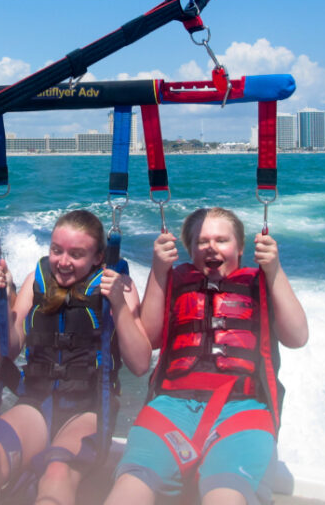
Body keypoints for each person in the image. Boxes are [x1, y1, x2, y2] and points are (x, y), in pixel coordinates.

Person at [0, 209, 153, 505]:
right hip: (35, 402)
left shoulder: (119, 286)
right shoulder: (36, 281)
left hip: (88, 409)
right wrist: (0, 298)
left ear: (98, 257)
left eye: (76, 254)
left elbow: (139, 364)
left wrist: (119, 306)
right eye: (56, 250)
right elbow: (7, 350)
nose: (63, 261)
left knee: (57, 473)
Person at [104, 207, 308, 505]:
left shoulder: (259, 284)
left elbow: (298, 337)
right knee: (129, 488)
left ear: (240, 248)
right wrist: (159, 270)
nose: (211, 247)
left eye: (222, 240)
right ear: (190, 250)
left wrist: (274, 270)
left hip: (241, 412)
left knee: (225, 496)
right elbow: (151, 338)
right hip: (170, 409)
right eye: (202, 242)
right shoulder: (175, 281)